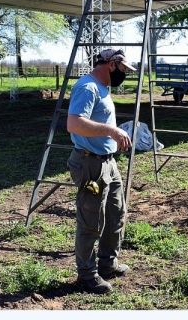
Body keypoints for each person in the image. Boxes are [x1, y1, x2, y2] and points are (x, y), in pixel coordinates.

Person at [66, 48, 136, 294]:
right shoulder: (88, 87)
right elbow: (74, 123)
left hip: (108, 162)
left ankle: (107, 264)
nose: (125, 74)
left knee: (116, 213)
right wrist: (111, 131)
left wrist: (112, 135)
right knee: (90, 220)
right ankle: (86, 275)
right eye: (124, 69)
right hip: (90, 163)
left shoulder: (103, 87)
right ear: (111, 64)